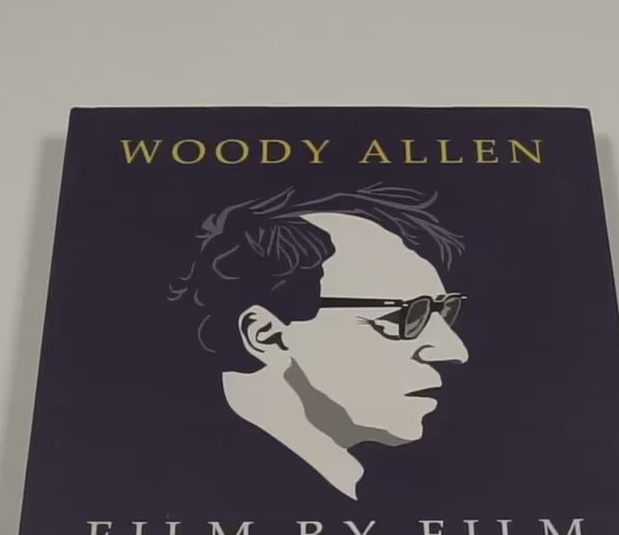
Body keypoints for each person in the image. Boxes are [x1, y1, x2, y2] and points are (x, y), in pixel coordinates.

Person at [167, 185, 470, 499]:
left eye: (444, 312)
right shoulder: (202, 488)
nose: (455, 351)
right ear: (266, 334)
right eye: (406, 315)